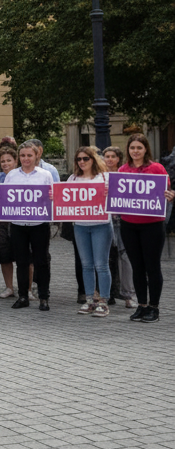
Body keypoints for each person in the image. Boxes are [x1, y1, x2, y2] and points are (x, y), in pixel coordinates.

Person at [119, 133, 174, 323]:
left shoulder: (157, 168)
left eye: (139, 148)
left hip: (152, 225)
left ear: (145, 150)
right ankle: (142, 305)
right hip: (128, 225)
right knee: (137, 267)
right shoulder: (123, 169)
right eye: (132, 148)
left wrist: (170, 195)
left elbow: (166, 191)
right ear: (128, 150)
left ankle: (154, 307)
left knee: (152, 267)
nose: (135, 151)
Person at [0, 141, 54, 311]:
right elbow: (6, 197)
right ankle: (22, 296)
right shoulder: (12, 175)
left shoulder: (45, 175)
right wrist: (0, 199)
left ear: (36, 156)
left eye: (29, 155)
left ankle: (43, 297)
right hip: (18, 224)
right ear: (19, 157)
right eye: (23, 155)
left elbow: (51, 197)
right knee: (21, 261)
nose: (26, 158)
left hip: (39, 224)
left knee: (41, 261)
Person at [66, 147, 112, 317]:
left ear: (93, 159)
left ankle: (104, 301)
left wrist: (110, 192)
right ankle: (90, 300)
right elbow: (65, 199)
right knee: (86, 265)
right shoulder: (73, 178)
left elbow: (116, 199)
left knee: (101, 264)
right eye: (79, 159)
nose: (82, 162)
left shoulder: (105, 177)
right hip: (80, 226)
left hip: (101, 224)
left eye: (85, 158)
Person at [102, 146, 134, 309]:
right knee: (104, 258)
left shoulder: (124, 175)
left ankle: (129, 295)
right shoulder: (98, 176)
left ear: (119, 159)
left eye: (112, 156)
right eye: (106, 156)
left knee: (125, 257)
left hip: (121, 219)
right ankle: (105, 295)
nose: (109, 159)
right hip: (103, 220)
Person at [0, 146, 18, 298]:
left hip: (20, 221)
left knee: (25, 256)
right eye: (2, 161)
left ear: (15, 161)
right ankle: (9, 287)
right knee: (4, 255)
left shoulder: (22, 176)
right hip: (0, 221)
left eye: (9, 160)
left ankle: (27, 289)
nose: (6, 164)